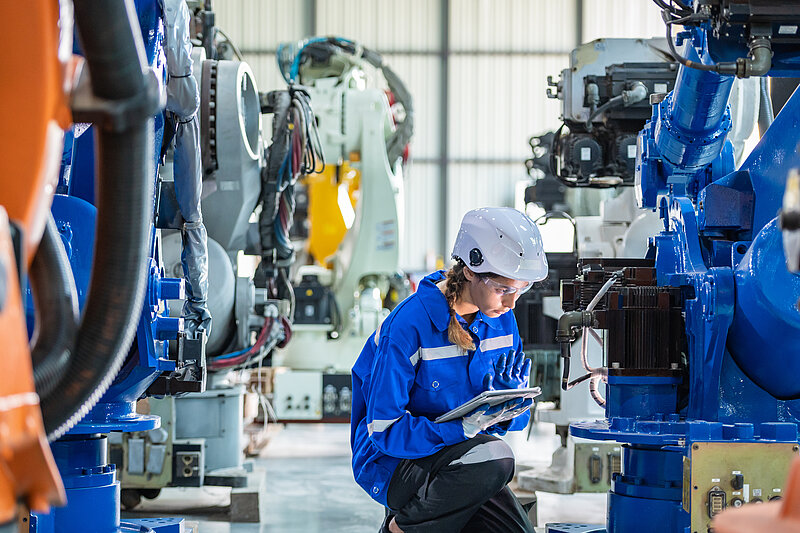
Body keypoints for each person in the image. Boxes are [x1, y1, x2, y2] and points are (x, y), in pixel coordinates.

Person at [351, 207, 548, 533]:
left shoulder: (501, 319)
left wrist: (506, 406)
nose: (512, 303)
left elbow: (502, 427)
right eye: (503, 289)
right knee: (498, 458)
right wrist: (463, 429)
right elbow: (385, 430)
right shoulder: (408, 326)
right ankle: (399, 529)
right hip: (394, 461)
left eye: (521, 289)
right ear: (471, 271)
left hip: (461, 459)